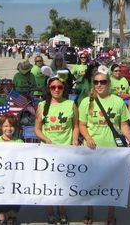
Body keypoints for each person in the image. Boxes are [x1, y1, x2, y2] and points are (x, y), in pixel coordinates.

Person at [78, 66, 130, 225]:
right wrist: (88, 138)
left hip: (113, 150)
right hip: (92, 149)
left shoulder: (118, 101)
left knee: (111, 183)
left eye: (103, 82)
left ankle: (110, 215)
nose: (99, 85)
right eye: (96, 82)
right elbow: (82, 125)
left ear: (108, 83)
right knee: (91, 183)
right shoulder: (87, 102)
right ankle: (89, 213)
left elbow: (124, 125)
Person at [34, 76, 80, 225]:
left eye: (59, 87)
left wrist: (74, 140)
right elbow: (37, 129)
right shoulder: (42, 105)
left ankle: (63, 213)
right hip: (47, 152)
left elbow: (76, 126)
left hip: (66, 151)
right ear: (49, 89)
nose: (56, 90)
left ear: (64, 88)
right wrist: (46, 140)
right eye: (53, 87)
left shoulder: (71, 104)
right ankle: (50, 213)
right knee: (48, 184)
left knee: (64, 184)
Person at [0, 114, 23, 225]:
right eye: (5, 126)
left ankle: (12, 217)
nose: (8, 128)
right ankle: (2, 218)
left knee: (15, 198)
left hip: (15, 177)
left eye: (11, 126)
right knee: (1, 198)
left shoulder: (20, 142)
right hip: (0, 177)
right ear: (0, 127)